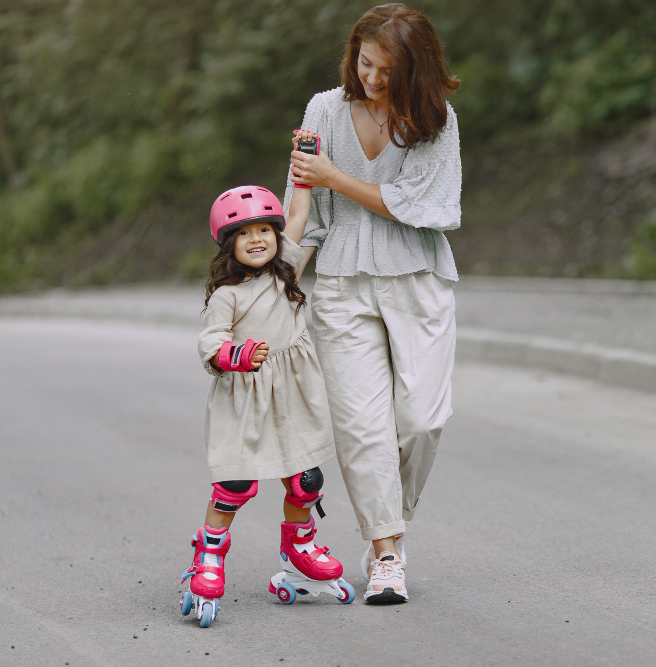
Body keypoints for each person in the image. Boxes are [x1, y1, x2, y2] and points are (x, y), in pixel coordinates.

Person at [284, 3, 461, 604]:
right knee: (363, 428)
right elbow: (303, 216)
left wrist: (334, 177)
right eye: (365, 63)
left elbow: (419, 205)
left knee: (421, 420)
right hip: (339, 281)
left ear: (416, 69)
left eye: (387, 69)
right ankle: (387, 552)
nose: (372, 78)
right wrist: (275, 286)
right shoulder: (323, 110)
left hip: (417, 278)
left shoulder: (436, 120)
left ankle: (391, 519)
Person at [180, 182, 354, 628]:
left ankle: (298, 546)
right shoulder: (227, 296)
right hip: (245, 397)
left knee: (305, 480)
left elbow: (298, 214)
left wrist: (302, 176)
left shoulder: (286, 273)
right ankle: (209, 556)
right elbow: (210, 341)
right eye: (244, 233)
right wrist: (234, 355)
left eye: (264, 229)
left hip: (293, 394)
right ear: (227, 243)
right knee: (235, 485)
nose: (257, 239)